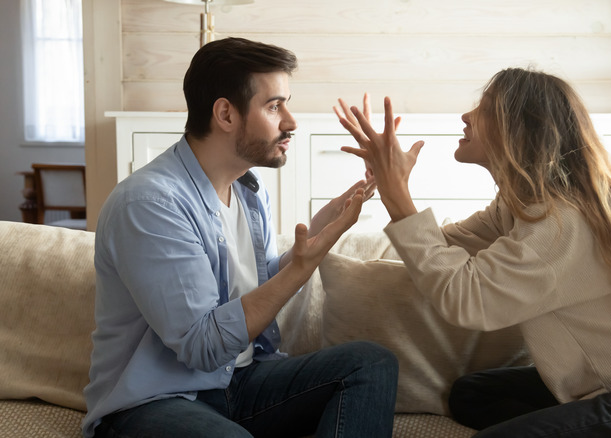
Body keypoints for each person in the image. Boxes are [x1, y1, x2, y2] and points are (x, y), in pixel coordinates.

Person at [334, 68, 611, 437]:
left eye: (484, 109)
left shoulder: (563, 223)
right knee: (471, 396)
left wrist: (398, 195)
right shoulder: (523, 205)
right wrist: (390, 188)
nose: (466, 117)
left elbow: (467, 298)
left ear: (519, 130)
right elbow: (440, 248)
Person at [82, 37, 398, 438]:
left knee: (370, 364)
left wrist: (324, 230)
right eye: (274, 106)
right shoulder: (149, 204)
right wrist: (300, 269)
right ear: (225, 114)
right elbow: (202, 347)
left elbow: (258, 287)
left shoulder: (248, 189)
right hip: (155, 400)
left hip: (239, 381)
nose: (291, 122)